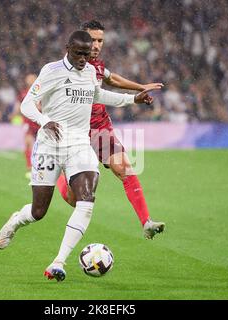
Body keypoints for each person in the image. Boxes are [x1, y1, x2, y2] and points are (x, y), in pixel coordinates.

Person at [0, 31, 158, 282]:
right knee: (39, 211)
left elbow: (98, 96)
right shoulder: (51, 71)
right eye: (79, 53)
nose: (84, 59)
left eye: (86, 54)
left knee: (86, 200)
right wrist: (44, 120)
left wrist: (132, 99)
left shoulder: (91, 72)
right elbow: (27, 104)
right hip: (50, 145)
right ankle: (17, 220)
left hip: (80, 145)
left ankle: (58, 261)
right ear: (67, 48)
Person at [55, 20, 165, 239]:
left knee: (125, 168)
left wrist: (140, 88)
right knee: (75, 199)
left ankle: (146, 222)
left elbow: (111, 78)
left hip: (99, 126)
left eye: (100, 40)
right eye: (92, 40)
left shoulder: (96, 65)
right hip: (76, 131)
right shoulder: (67, 66)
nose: (96, 45)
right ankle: (61, 177)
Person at [14, 74, 41, 179]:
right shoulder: (23, 93)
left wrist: (38, 108)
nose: (30, 80)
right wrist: (14, 113)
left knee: (41, 145)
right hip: (28, 122)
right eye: (28, 79)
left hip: (38, 122)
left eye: (32, 79)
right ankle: (30, 167)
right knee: (28, 142)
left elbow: (42, 106)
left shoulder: (40, 92)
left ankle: (41, 166)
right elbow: (19, 105)